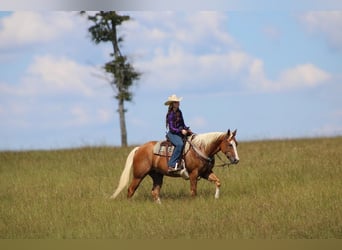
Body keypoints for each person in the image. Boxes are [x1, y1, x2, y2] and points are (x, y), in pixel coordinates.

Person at [164, 94, 192, 172]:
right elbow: (172, 128)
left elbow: (182, 124)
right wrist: (181, 131)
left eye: (178, 102)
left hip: (179, 132)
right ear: (172, 104)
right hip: (172, 134)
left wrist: (187, 129)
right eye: (176, 102)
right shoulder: (170, 115)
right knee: (180, 144)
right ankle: (171, 164)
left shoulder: (179, 112)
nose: (178, 103)